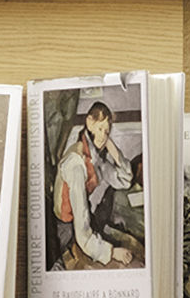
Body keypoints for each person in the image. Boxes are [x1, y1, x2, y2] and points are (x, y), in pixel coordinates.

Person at [50, 100, 139, 270]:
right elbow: (82, 232)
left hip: (83, 223)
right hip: (66, 233)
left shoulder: (95, 158)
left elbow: (124, 180)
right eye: (100, 129)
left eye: (107, 131)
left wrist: (113, 149)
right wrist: (112, 252)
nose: (103, 136)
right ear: (89, 123)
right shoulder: (76, 163)